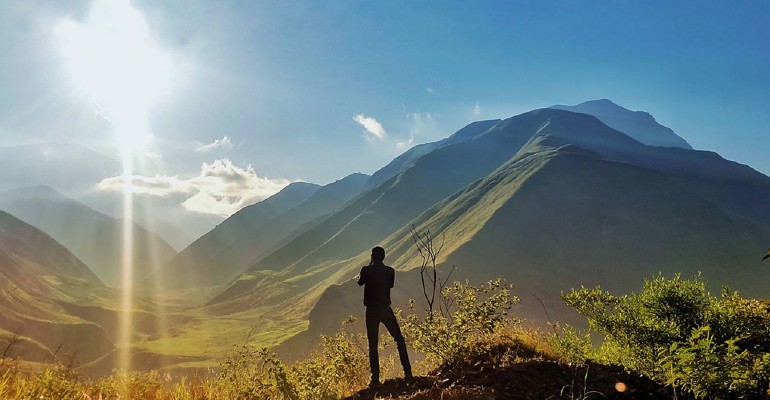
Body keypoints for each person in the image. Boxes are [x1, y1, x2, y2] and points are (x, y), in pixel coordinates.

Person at [357, 246, 412, 387]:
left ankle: (375, 379)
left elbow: (360, 282)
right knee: (399, 339)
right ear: (384, 257)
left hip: (371, 311)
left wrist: (370, 266)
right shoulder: (390, 271)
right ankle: (408, 373)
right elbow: (390, 285)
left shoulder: (366, 270)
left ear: (372, 256)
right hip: (386, 309)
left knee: (373, 344)